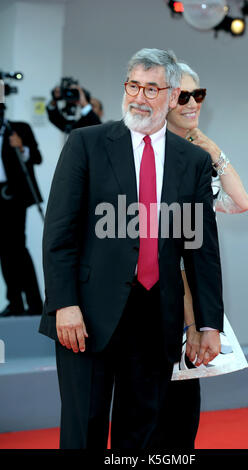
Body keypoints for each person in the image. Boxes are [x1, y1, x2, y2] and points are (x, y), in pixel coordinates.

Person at [39, 48, 224, 449]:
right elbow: (59, 234)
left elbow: (200, 249)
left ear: (173, 95)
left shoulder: (191, 161)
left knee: (141, 434)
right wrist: (63, 304)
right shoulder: (85, 143)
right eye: (133, 85)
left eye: (151, 88)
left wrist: (207, 322)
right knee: (82, 431)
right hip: (84, 318)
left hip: (156, 320)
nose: (139, 97)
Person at [152, 62, 248, 448]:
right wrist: (193, 321)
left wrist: (210, 148)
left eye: (199, 95)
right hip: (162, 301)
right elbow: (173, 250)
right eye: (184, 96)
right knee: (154, 415)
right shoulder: (152, 155)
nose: (193, 104)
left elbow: (240, 202)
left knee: (182, 415)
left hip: (188, 299)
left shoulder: (196, 154)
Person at [0, 104, 43, 317]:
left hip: (15, 197)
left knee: (17, 248)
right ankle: (14, 302)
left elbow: (37, 156)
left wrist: (21, 147)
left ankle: (34, 302)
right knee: (4, 251)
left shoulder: (19, 129)